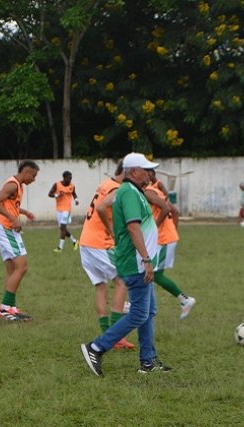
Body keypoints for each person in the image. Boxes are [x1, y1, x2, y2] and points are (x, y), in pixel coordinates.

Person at [81, 153, 172, 376]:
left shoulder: (133, 192)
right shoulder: (129, 193)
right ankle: (96, 347)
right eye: (146, 169)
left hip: (137, 261)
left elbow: (104, 208)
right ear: (133, 172)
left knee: (148, 311)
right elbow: (133, 227)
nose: (150, 174)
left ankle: (148, 361)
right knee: (140, 313)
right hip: (136, 263)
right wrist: (146, 259)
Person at [79, 161, 134, 350]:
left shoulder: (105, 183)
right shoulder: (118, 188)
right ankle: (116, 336)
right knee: (123, 280)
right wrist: (112, 230)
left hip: (85, 241)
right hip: (99, 243)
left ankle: (106, 333)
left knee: (100, 286)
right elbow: (102, 208)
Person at [143, 169, 196, 319]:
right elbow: (175, 211)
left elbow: (167, 209)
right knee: (145, 270)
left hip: (162, 239)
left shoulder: (149, 192)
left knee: (155, 274)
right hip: (165, 238)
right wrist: (173, 232)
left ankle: (185, 300)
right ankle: (141, 305)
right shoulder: (156, 191)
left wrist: (156, 229)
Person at [0, 160, 39, 321]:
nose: (34, 179)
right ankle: (5, 307)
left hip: (5, 228)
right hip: (7, 229)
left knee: (12, 270)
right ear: (26, 172)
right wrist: (13, 219)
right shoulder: (12, 185)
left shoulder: (18, 185)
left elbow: (9, 204)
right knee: (22, 267)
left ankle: (10, 308)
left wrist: (23, 212)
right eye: (34, 175)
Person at [48, 171, 79, 252]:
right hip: (59, 210)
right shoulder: (57, 184)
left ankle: (60, 248)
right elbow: (50, 194)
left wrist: (76, 200)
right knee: (62, 228)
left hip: (67, 210)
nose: (70, 179)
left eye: (71, 178)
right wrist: (57, 195)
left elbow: (74, 194)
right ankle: (74, 241)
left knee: (63, 227)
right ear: (64, 177)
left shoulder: (72, 186)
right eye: (69, 178)